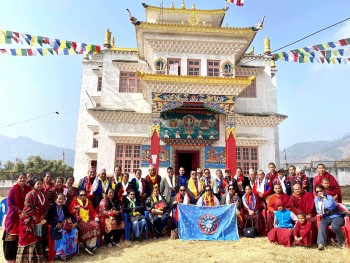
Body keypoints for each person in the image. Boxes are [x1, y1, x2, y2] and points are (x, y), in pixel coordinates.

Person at [16, 177, 49, 263]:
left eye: (41, 184)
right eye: (37, 183)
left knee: (39, 238)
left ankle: (38, 259)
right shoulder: (30, 195)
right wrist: (35, 218)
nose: (39, 185)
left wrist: (42, 216)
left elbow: (47, 206)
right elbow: (27, 208)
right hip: (30, 221)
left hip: (40, 221)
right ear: (34, 184)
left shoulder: (43, 194)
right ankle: (26, 260)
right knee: (29, 239)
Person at [3, 173, 31, 263]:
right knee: (11, 238)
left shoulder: (29, 189)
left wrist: (26, 212)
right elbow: (10, 204)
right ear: (17, 179)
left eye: (24, 178)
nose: (22, 180)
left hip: (25, 216)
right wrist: (19, 212)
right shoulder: (13, 189)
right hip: (13, 217)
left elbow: (31, 200)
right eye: (20, 178)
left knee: (21, 238)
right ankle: (10, 258)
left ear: (26, 179)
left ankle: (19, 257)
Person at [47, 193, 78, 260]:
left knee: (75, 231)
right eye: (59, 199)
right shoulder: (52, 208)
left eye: (63, 199)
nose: (61, 200)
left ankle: (68, 252)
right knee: (63, 232)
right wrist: (56, 223)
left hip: (65, 225)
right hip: (56, 226)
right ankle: (61, 254)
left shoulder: (64, 207)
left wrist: (75, 223)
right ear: (56, 199)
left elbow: (70, 216)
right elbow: (49, 219)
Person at [69, 190, 100, 255]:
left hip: (88, 219)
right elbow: (71, 212)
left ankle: (90, 246)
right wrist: (75, 210)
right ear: (78, 196)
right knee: (86, 227)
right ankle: (89, 246)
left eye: (84, 195)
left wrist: (95, 217)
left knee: (96, 225)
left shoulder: (88, 202)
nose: (83, 196)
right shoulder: (74, 201)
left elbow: (92, 211)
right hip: (79, 219)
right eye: (81, 195)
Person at [314, 185, 345, 250]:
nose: (319, 193)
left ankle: (341, 243)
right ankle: (321, 244)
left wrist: (324, 199)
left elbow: (329, 205)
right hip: (326, 217)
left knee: (335, 226)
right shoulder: (316, 199)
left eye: (320, 191)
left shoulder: (330, 197)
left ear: (324, 191)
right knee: (322, 225)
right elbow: (317, 208)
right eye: (317, 191)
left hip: (337, 215)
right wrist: (319, 212)